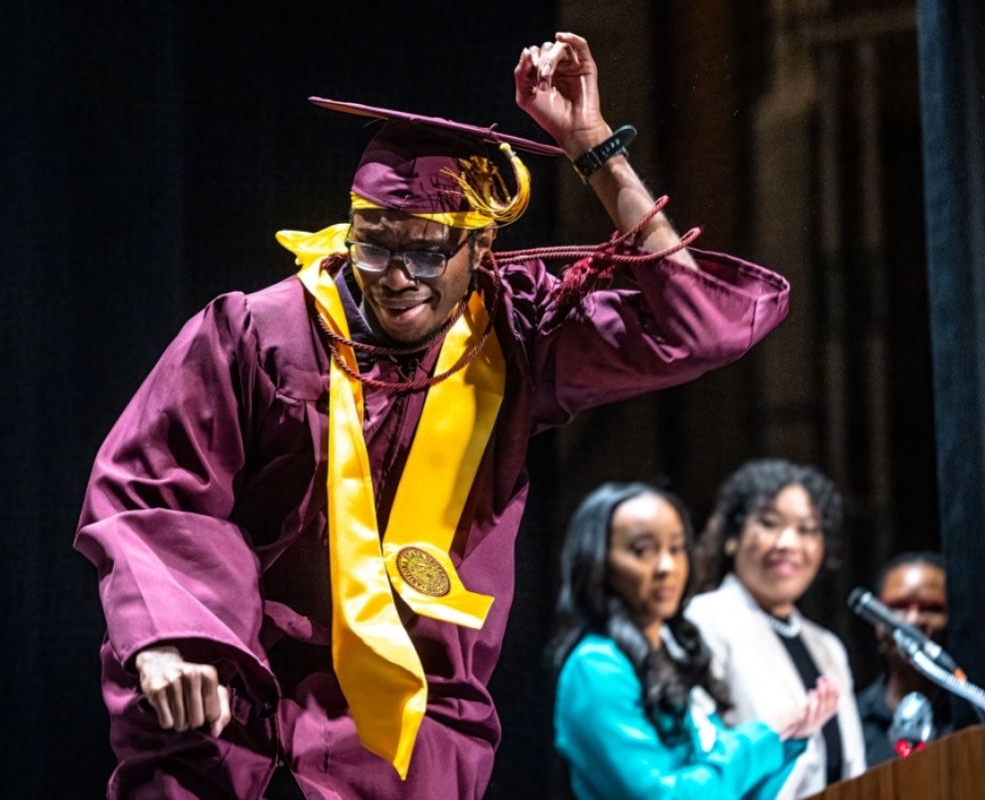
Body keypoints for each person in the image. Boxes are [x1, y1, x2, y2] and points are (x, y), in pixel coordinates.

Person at [74, 31, 792, 800]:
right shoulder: (257, 336)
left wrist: (593, 149)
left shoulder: (516, 340)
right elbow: (150, 493)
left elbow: (703, 328)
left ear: (480, 250)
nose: (394, 278)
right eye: (374, 246)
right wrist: (170, 639)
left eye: (427, 252)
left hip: (406, 754)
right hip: (230, 725)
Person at [550, 482, 840, 799]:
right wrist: (764, 738)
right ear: (598, 562)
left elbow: (727, 790)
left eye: (676, 549)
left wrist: (791, 738)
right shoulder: (596, 666)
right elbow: (661, 795)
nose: (666, 566)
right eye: (642, 551)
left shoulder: (670, 655)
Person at [685, 459, 866, 799]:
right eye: (769, 524)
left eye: (808, 530)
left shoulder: (827, 646)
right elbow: (702, 752)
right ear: (732, 538)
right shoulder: (706, 620)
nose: (788, 543)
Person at [855, 551, 955, 766]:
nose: (912, 620)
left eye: (930, 608)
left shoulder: (970, 713)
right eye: (898, 607)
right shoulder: (851, 719)